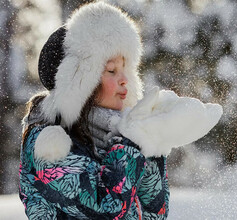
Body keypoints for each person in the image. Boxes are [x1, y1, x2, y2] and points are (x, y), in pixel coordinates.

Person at [19, 2, 223, 219]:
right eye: (111, 70)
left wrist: (153, 141)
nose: (125, 79)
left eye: (126, 68)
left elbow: (155, 214)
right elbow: (107, 208)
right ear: (81, 80)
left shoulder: (117, 137)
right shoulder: (48, 143)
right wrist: (133, 141)